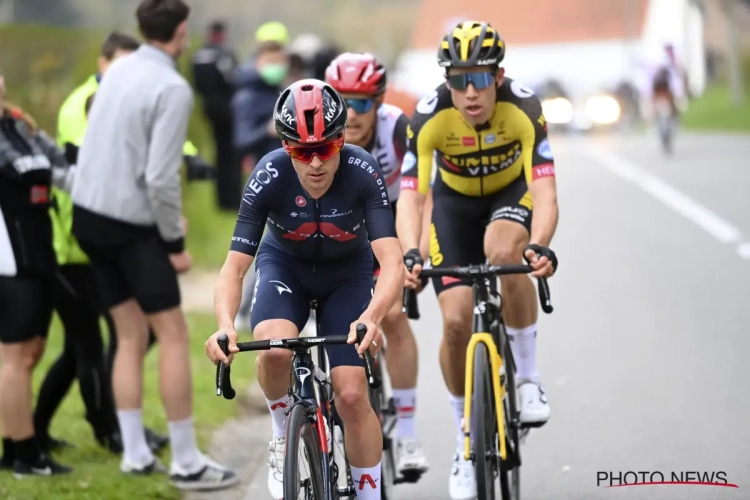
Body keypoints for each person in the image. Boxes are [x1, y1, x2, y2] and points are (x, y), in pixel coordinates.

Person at [205, 79, 405, 500]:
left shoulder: (362, 170)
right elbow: (235, 267)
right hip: (286, 269)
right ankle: (282, 431)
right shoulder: (269, 173)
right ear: (284, 146)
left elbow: (391, 262)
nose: (315, 164)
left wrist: (371, 317)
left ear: (341, 140)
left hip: (347, 275)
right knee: (274, 348)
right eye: (301, 152)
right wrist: (224, 325)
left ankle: (369, 493)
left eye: (325, 150)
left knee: (351, 394)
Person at [70, 0, 236, 489]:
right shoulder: (171, 86)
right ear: (182, 32)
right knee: (173, 332)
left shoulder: (117, 69)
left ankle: (135, 454)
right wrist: (174, 240)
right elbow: (162, 177)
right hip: (129, 224)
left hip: (88, 216)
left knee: (128, 332)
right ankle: (186, 460)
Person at [396, 20, 559, 500]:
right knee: (455, 324)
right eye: (458, 79)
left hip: (511, 196)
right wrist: (410, 250)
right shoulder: (427, 118)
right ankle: (466, 440)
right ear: (446, 81)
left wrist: (542, 243)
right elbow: (412, 197)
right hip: (453, 207)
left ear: (499, 76)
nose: (469, 92)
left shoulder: (525, 107)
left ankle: (527, 378)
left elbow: (546, 190)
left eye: (480, 79)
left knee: (505, 252)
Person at [35, 30, 169, 457]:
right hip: (73, 245)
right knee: (95, 343)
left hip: (98, 243)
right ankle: (111, 432)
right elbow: (91, 170)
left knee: (93, 346)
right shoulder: (82, 105)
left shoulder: (123, 99)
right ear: (101, 62)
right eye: (121, 64)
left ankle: (40, 429)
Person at [324, 52, 429, 476]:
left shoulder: (397, 129)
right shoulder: (322, 130)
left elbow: (420, 195)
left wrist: (414, 254)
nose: (351, 114)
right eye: (343, 101)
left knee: (395, 314)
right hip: (340, 230)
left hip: (389, 218)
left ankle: (405, 431)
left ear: (380, 102)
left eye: (363, 103)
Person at [0, 71, 75, 476]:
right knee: (13, 356)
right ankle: (26, 454)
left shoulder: (19, 123)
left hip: (40, 250)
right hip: (8, 261)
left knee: (31, 353)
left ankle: (14, 446)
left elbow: (62, 165)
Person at [191, 20, 239, 211]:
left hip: (209, 110)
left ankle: (220, 201)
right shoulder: (224, 56)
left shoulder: (198, 56)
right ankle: (232, 200)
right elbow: (235, 80)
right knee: (231, 157)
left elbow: (196, 84)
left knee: (219, 155)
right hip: (228, 111)